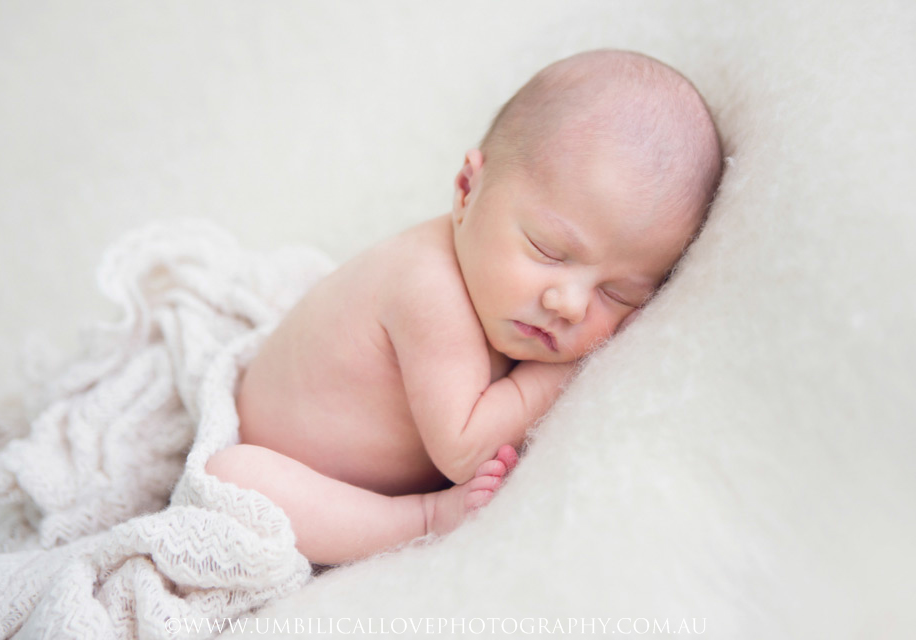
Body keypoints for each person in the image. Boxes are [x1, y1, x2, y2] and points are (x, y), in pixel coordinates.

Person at [205, 49, 723, 566]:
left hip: (350, 456)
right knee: (236, 478)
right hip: (287, 457)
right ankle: (423, 519)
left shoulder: (502, 292)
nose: (568, 304)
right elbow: (463, 449)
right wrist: (566, 370)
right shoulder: (431, 291)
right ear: (467, 190)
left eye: (618, 295)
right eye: (548, 250)